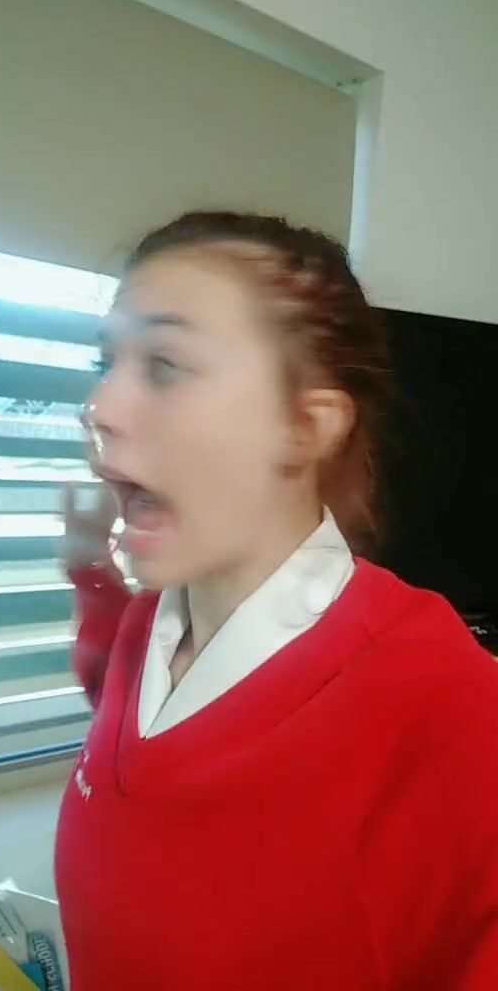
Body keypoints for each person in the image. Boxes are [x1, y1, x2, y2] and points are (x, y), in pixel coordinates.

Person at [55, 211, 498, 990]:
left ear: (306, 426)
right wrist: (92, 577)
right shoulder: (152, 621)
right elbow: (143, 740)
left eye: (166, 365)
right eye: (106, 361)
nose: (100, 407)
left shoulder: (446, 707)